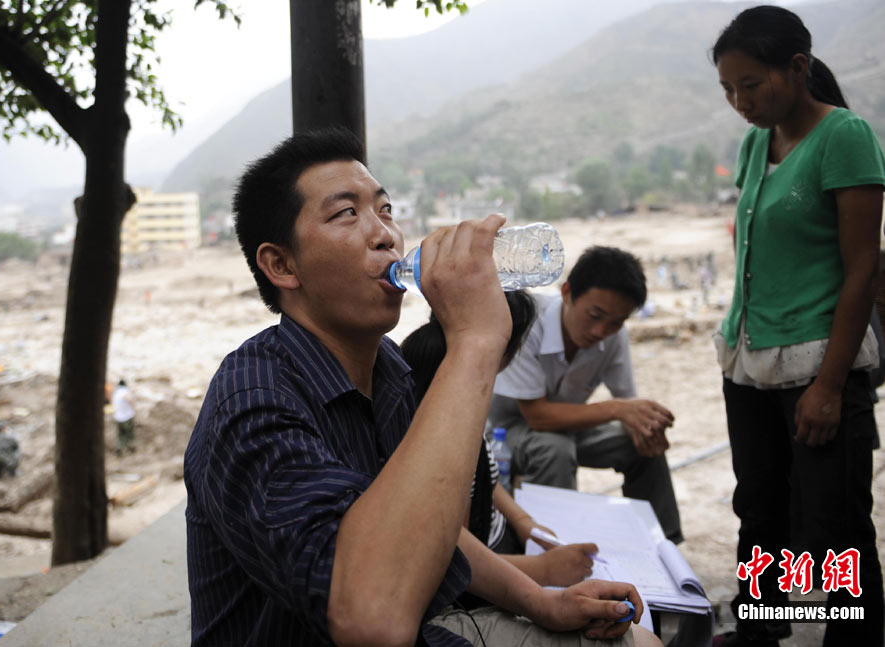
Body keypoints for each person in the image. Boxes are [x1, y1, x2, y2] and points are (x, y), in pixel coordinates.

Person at [183, 128, 660, 647]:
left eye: (385, 210)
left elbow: (422, 522)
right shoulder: (253, 402)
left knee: (636, 639)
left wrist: (540, 599)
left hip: (424, 628)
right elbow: (372, 617)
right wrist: (474, 341)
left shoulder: (388, 368)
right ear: (281, 265)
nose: (384, 234)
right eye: (347, 213)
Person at [710, 6, 885, 647]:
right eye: (728, 89)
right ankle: (761, 630)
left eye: (751, 85)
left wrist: (831, 386)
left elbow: (863, 268)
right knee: (760, 511)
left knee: (834, 528)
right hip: (749, 359)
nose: (740, 102)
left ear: (798, 67)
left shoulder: (845, 136)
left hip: (816, 362)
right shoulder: (756, 143)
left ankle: (853, 639)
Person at [401, 291, 598, 590]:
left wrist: (522, 521)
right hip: (488, 569)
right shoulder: (451, 419)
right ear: (507, 348)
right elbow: (452, 555)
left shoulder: (452, 386)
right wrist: (542, 571)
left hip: (498, 544)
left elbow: (484, 476)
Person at [488, 246, 683, 544]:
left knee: (639, 444)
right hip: (506, 433)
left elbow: (627, 403)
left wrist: (646, 428)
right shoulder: (528, 322)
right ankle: (552, 549)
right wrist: (619, 409)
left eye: (616, 322)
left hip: (567, 429)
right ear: (567, 292)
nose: (601, 331)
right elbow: (538, 417)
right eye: (595, 315)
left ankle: (663, 545)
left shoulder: (614, 337)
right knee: (553, 447)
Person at [111, 379, 136, 456]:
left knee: (120, 435)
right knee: (129, 434)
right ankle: (131, 448)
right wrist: (133, 404)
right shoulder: (125, 391)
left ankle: (119, 448)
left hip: (118, 417)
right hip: (127, 417)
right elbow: (128, 398)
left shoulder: (115, 392)